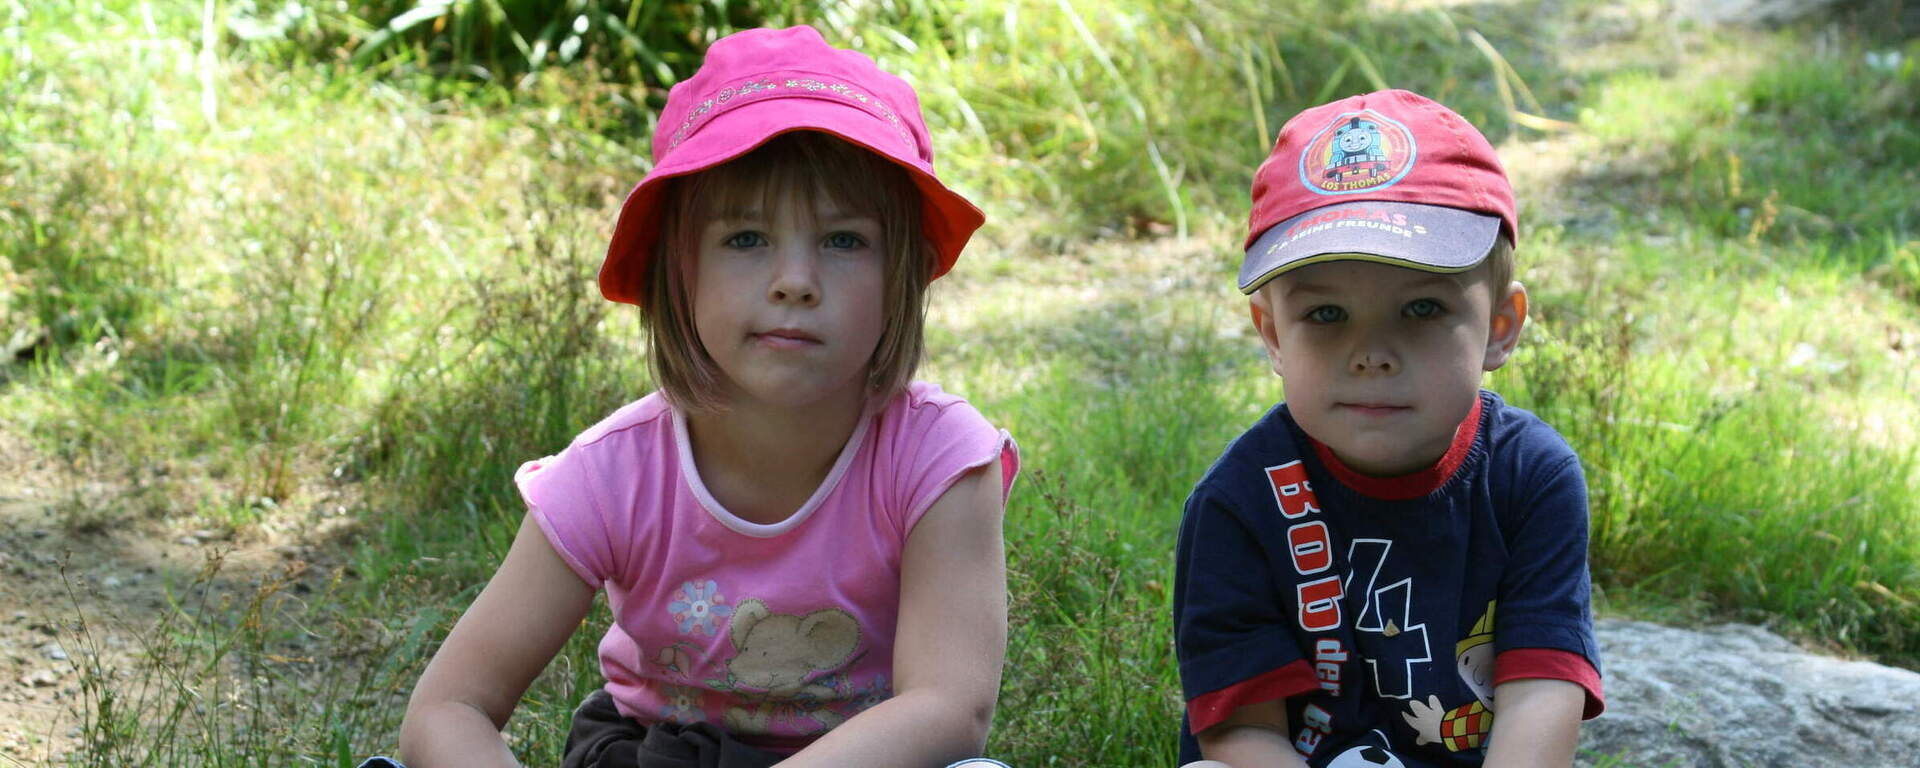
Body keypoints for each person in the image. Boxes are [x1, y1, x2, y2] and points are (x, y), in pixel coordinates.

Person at [386, 26, 1019, 768]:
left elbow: (947, 708)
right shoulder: (613, 474)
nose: (795, 280)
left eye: (844, 240)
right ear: (677, 272)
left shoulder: (938, 460)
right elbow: (448, 707)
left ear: (903, 275)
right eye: (745, 238)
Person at [1172, 89, 1605, 768]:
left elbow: (1541, 694)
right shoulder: (1238, 502)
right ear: (1273, 335)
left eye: (1422, 307)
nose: (1371, 353)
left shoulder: (1532, 477)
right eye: (1326, 315)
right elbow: (1241, 734)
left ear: (1500, 327)